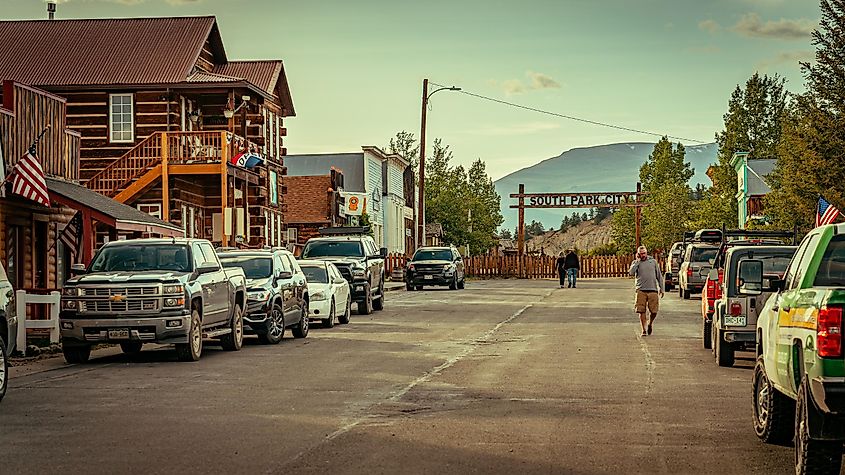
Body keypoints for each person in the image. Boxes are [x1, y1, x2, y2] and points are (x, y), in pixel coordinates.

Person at [629, 245, 664, 336]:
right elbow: (631, 273)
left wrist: (662, 288)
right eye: (641, 254)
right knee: (641, 310)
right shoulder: (636, 262)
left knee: (654, 311)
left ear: (646, 252)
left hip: (652, 289)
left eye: (644, 253)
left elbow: (659, 275)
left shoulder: (653, 262)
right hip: (641, 290)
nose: (643, 255)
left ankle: (650, 323)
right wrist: (637, 261)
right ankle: (644, 329)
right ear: (638, 254)